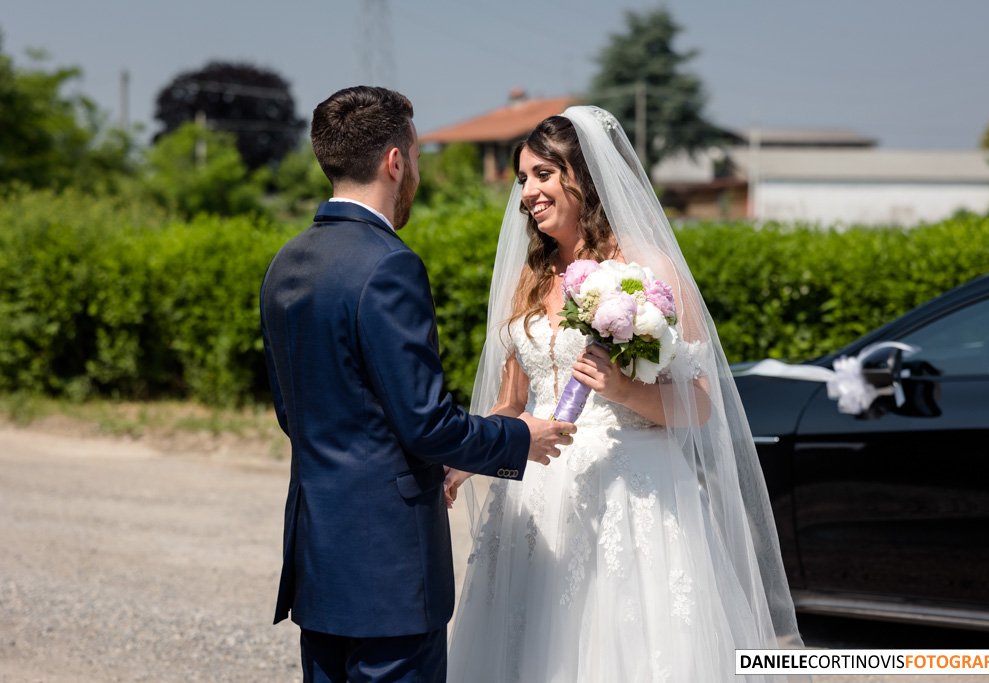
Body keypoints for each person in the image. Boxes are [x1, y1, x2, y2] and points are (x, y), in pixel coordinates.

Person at [444, 107, 804, 682]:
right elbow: (512, 403)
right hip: (538, 493)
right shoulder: (531, 279)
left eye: (542, 174)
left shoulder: (646, 271)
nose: (528, 194)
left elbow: (700, 404)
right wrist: (460, 463)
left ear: (582, 177)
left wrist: (621, 389)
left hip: (631, 497)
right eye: (522, 180)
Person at [259, 86, 576, 683]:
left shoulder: (287, 261)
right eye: (419, 159)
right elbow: (425, 422)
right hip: (390, 571)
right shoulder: (388, 265)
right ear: (395, 161)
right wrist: (517, 438)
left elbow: (291, 413)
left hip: (318, 558)